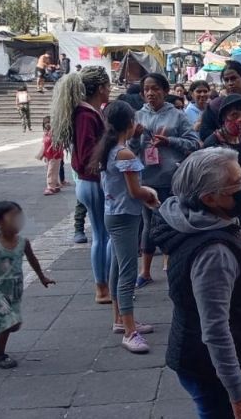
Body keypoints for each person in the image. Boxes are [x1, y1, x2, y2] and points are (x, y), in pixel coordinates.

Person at [152, 148, 241, 419]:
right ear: (209, 197)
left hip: (207, 360)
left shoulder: (198, 221)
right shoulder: (214, 252)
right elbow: (215, 330)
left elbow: (208, 267)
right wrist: (238, 396)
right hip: (212, 369)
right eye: (237, 184)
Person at [92, 100, 160, 353]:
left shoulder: (110, 149)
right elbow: (135, 190)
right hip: (125, 216)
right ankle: (130, 331)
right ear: (130, 124)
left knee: (118, 267)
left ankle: (120, 320)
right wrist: (151, 195)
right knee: (128, 272)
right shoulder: (124, 154)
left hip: (115, 214)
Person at [130, 73, 201, 288]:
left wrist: (169, 141)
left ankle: (174, 266)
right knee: (149, 225)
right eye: (146, 90)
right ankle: (145, 271)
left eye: (155, 89)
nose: (151, 93)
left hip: (172, 178)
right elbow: (131, 151)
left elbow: (194, 143)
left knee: (172, 222)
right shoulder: (137, 117)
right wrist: (135, 137)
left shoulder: (178, 116)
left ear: (165, 90)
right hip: (147, 179)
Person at [0, 201, 55, 369]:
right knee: (9, 323)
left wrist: (42, 277)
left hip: (14, 291)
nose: (17, 221)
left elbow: (32, 260)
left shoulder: (23, 242)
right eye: (12, 217)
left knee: (13, 324)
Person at [51, 67, 113, 303]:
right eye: (107, 86)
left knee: (101, 234)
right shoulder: (87, 115)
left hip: (89, 182)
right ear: (99, 88)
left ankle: (104, 285)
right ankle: (103, 287)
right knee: (102, 235)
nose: (109, 90)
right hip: (92, 182)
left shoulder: (87, 112)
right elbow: (88, 154)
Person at [199, 61, 241, 141]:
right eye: (226, 80)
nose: (230, 83)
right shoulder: (215, 106)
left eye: (233, 78)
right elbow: (204, 133)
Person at [39, 116, 64, 196]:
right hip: (48, 156)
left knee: (51, 171)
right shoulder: (46, 133)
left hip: (54, 155)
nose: (47, 125)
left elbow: (58, 143)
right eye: (45, 123)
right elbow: (44, 145)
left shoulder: (55, 133)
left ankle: (50, 187)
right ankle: (56, 185)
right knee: (51, 170)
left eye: (49, 123)